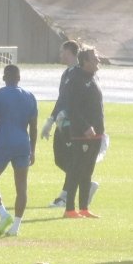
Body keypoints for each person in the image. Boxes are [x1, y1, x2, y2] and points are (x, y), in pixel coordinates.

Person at [0, 64, 37, 237]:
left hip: (3, 144)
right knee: (21, 188)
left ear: (4, 78)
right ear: (19, 78)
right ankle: (16, 227)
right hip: (22, 145)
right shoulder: (30, 96)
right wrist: (33, 150)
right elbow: (33, 127)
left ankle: (3, 215)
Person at [42, 40, 98, 208]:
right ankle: (84, 184)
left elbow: (79, 101)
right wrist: (51, 120)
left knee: (74, 160)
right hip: (63, 122)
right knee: (60, 159)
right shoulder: (67, 74)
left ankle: (66, 196)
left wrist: (68, 116)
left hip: (73, 124)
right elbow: (62, 99)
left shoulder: (80, 74)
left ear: (71, 52)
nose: (60, 54)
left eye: (63, 51)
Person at [61, 48, 105, 219]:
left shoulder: (92, 77)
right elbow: (72, 107)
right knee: (76, 170)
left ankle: (84, 208)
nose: (98, 60)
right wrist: (85, 126)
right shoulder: (76, 79)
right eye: (95, 58)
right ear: (85, 61)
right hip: (82, 134)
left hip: (96, 133)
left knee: (87, 171)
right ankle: (69, 209)